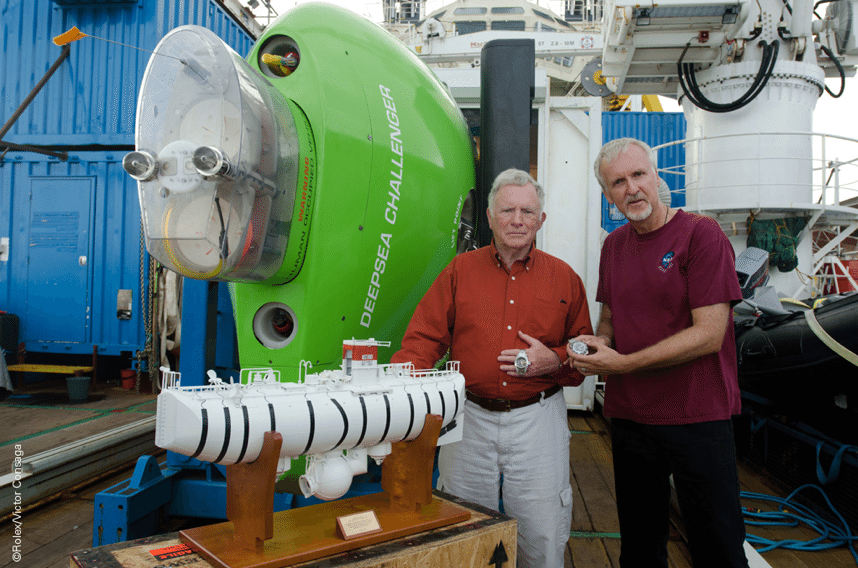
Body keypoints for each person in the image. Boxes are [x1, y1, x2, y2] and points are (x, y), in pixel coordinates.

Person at [391, 168, 592, 568]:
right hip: (469, 418)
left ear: (541, 220)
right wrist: (399, 400)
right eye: (508, 211)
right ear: (489, 217)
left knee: (542, 529)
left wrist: (556, 358)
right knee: (462, 522)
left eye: (527, 212)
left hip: (539, 419)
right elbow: (423, 339)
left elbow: (584, 347)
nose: (517, 220)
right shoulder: (459, 271)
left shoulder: (565, 279)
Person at [567, 138, 748, 568]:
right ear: (608, 194)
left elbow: (709, 333)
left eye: (638, 175)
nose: (631, 189)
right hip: (632, 418)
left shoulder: (700, 234)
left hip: (698, 416)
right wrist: (600, 344)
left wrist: (623, 364)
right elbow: (609, 317)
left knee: (718, 544)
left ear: (656, 175)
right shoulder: (613, 246)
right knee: (640, 547)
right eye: (618, 182)